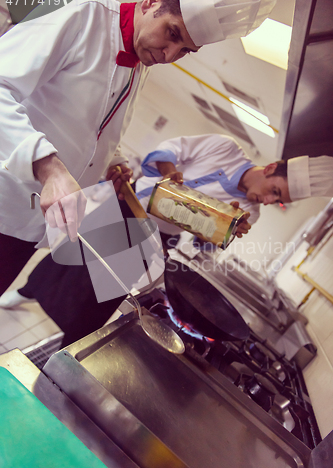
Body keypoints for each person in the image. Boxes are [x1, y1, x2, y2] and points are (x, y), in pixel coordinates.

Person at [0, 0, 279, 298]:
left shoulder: (139, 67)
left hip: (28, 222)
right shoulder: (83, 12)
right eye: (172, 33)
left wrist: (112, 160)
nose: (169, 55)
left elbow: (91, 130)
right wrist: (50, 169)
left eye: (185, 51)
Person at [1, 133, 332, 349]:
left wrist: (220, 229)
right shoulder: (226, 149)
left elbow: (201, 247)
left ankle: (68, 346)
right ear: (271, 167)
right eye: (275, 191)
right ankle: (27, 291)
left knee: (102, 294)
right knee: (72, 260)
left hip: (158, 236)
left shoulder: (247, 213)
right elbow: (171, 149)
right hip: (130, 206)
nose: (269, 200)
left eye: (278, 201)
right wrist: (171, 170)